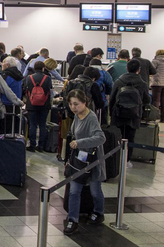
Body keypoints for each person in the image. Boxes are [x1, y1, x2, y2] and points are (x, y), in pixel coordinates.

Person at [63, 89, 107, 235]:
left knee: (95, 191)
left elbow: (101, 138)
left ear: (84, 102)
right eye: (71, 104)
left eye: (76, 104)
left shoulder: (91, 117)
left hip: (93, 160)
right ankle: (72, 219)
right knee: (74, 191)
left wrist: (80, 142)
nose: (73, 107)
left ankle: (98, 212)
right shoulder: (77, 116)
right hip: (79, 161)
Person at [109, 60, 151, 167]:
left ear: (127, 68)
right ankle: (127, 160)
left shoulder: (119, 81)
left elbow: (112, 98)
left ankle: (115, 157)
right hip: (134, 115)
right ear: (139, 70)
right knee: (130, 137)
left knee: (116, 136)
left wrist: (111, 113)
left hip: (118, 113)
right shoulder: (142, 83)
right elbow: (146, 100)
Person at [24, 61, 53, 152]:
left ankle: (32, 145)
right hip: (44, 105)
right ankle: (41, 146)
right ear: (43, 68)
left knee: (32, 125)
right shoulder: (47, 78)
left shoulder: (29, 78)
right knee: (42, 125)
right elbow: (50, 90)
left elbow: (25, 89)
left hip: (31, 104)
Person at [150, 50, 164, 123]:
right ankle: (163, 118)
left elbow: (151, 70)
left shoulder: (155, 61)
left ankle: (154, 117)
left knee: (156, 100)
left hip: (157, 83)